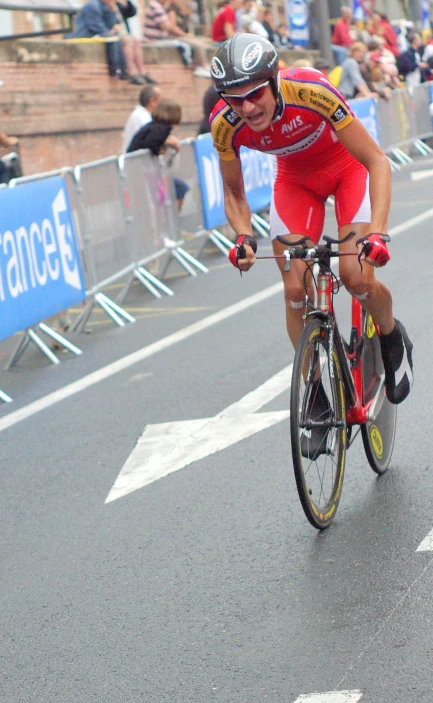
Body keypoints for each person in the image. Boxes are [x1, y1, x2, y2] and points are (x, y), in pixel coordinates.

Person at [209, 33, 413, 419]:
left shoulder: (311, 90)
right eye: (235, 99)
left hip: (347, 169)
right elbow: (235, 195)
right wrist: (242, 238)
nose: (247, 107)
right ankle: (316, 390)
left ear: (273, 81)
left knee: (356, 277)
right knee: (293, 287)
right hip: (294, 182)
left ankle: (391, 336)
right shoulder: (224, 124)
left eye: (255, 94)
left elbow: (375, 161)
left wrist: (377, 233)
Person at [127, 97, 190, 211]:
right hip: (141, 169)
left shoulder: (155, 125)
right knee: (163, 196)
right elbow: (149, 142)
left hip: (143, 169)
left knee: (168, 193)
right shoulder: (161, 128)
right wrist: (158, 149)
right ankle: (170, 223)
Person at [143, 0, 211, 77]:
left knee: (197, 42)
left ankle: (203, 66)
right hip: (156, 39)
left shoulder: (162, 6)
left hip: (164, 37)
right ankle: (200, 66)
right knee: (196, 44)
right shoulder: (156, 6)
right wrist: (185, 35)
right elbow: (167, 26)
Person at [122, 83, 162, 151]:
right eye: (160, 100)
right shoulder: (142, 117)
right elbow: (153, 137)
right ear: (152, 102)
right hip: (135, 160)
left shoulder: (143, 114)